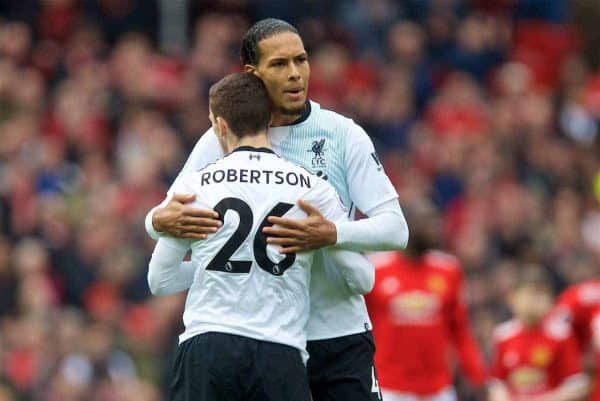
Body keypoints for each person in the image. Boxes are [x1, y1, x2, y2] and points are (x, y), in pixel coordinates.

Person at [145, 18, 409, 401]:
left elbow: (395, 230)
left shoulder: (342, 134)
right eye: (279, 64)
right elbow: (169, 213)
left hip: (336, 330)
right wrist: (154, 220)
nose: (295, 74)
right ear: (252, 74)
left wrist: (332, 234)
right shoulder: (221, 137)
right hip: (272, 338)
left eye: (301, 61)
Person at [365, 202, 486, 401]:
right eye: (427, 222)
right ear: (406, 225)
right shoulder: (376, 269)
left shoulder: (448, 270)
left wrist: (479, 378)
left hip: (437, 390)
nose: (435, 228)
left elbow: (460, 331)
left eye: (435, 222)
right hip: (390, 388)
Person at [489, 266, 589, 401]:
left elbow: (577, 384)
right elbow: (497, 382)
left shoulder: (561, 335)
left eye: (541, 295)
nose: (535, 301)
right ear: (512, 298)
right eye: (529, 294)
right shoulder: (502, 335)